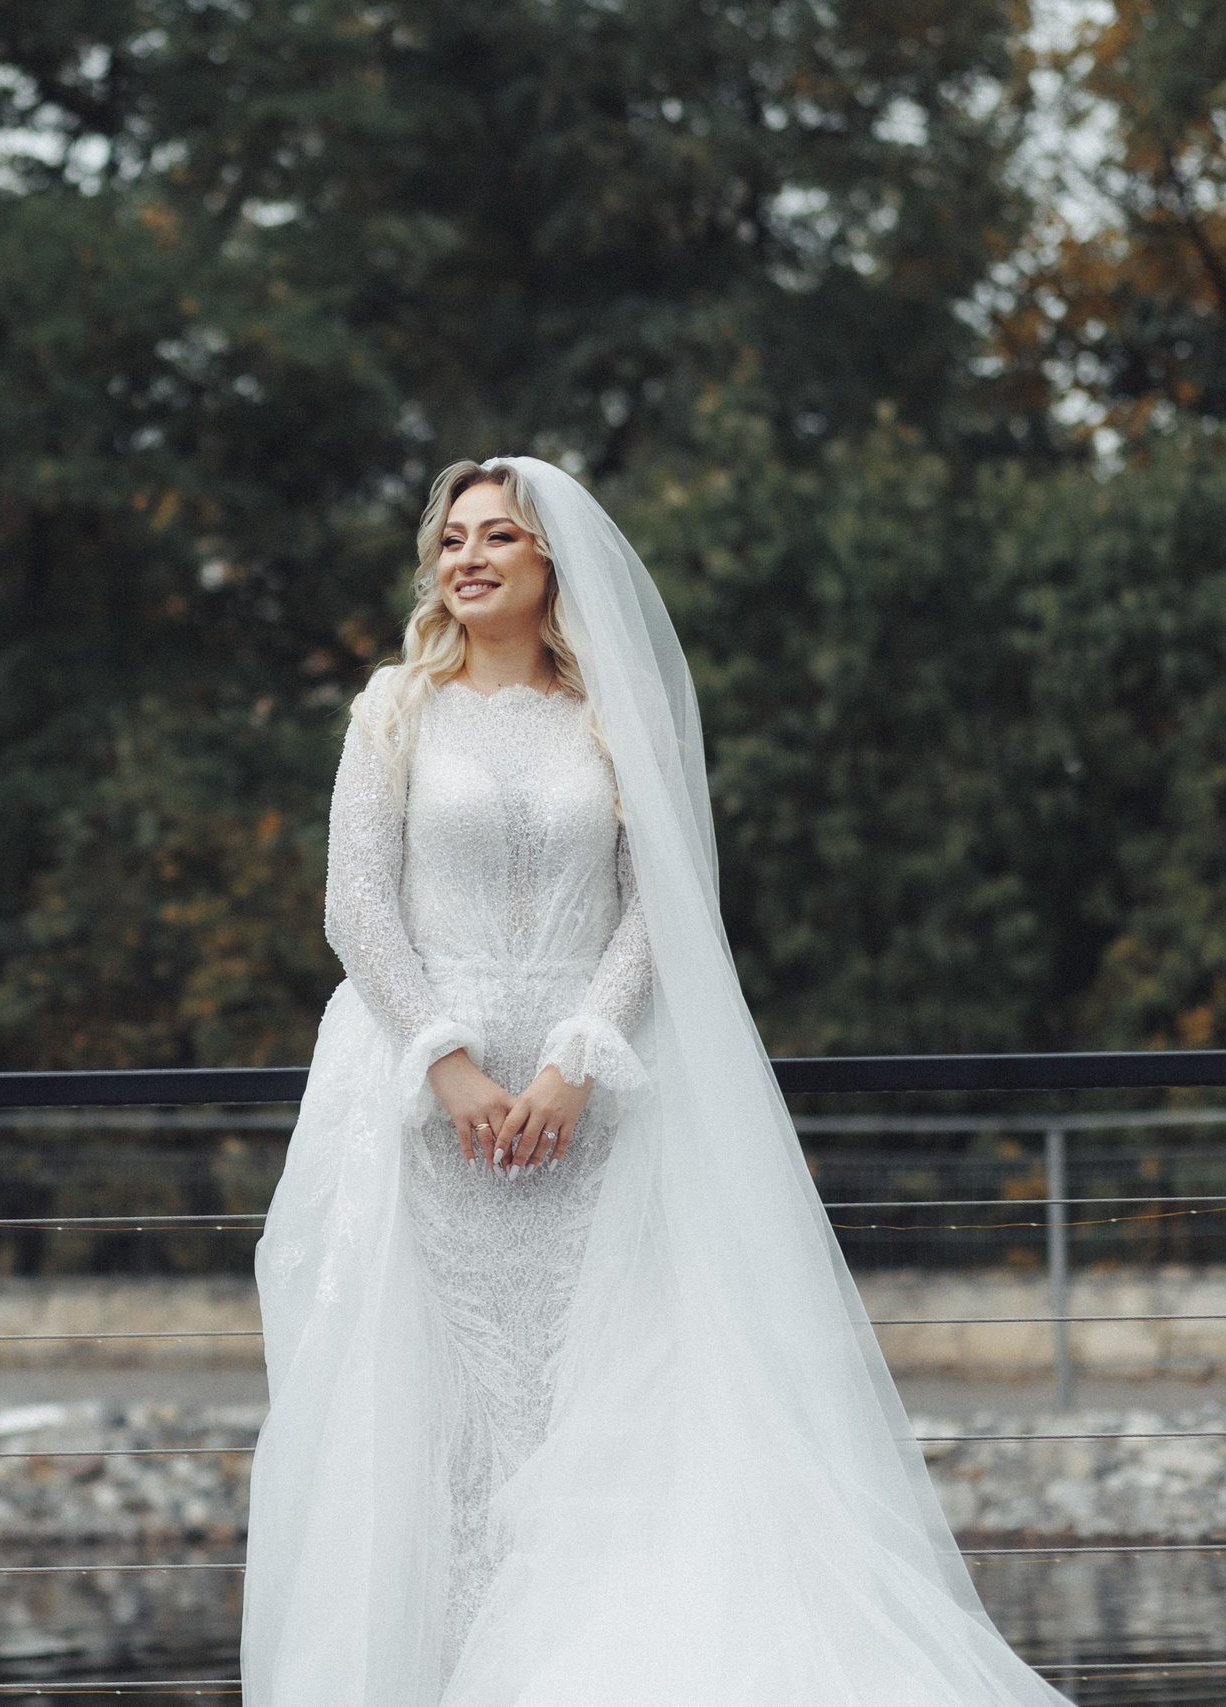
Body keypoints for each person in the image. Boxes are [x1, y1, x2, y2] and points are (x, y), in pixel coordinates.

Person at [242, 458, 1063, 1704]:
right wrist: (446, 1065)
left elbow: (657, 910)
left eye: (498, 538)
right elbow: (353, 904)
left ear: (549, 565)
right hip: (427, 1114)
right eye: (450, 539)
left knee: (597, 1394)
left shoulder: (612, 718)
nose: (466, 558)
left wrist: (577, 1057)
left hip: (593, 1111)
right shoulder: (390, 710)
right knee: (431, 1403)